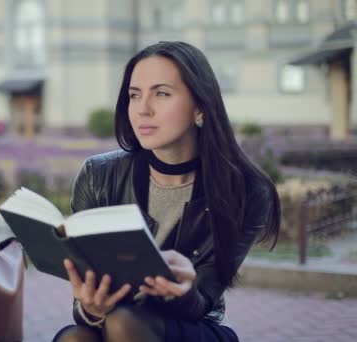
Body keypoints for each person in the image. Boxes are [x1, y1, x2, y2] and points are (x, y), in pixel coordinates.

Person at [53, 41, 280, 342]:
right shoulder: (98, 177)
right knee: (75, 337)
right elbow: (85, 298)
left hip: (193, 324)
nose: (143, 109)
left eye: (161, 93)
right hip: (116, 319)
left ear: (200, 105)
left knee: (122, 323)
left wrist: (183, 289)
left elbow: (204, 300)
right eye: (135, 95)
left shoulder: (247, 191)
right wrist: (91, 308)